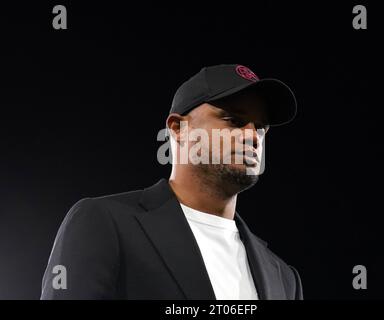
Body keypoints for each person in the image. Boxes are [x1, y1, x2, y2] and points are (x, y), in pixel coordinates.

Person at [41, 64, 303, 300]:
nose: (253, 137)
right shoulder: (103, 222)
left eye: (260, 127)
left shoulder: (283, 277)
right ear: (178, 128)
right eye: (233, 120)